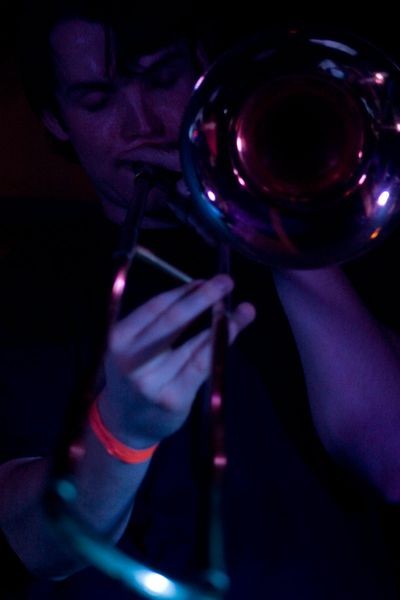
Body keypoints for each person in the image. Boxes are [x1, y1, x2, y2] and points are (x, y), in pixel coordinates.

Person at [2, 1, 400, 598]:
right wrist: (121, 431)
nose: (139, 125)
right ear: (55, 120)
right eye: (97, 99)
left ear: (209, 70)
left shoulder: (335, 227)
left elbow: (391, 461)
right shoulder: (24, 283)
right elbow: (34, 543)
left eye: (162, 79)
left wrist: (268, 227)